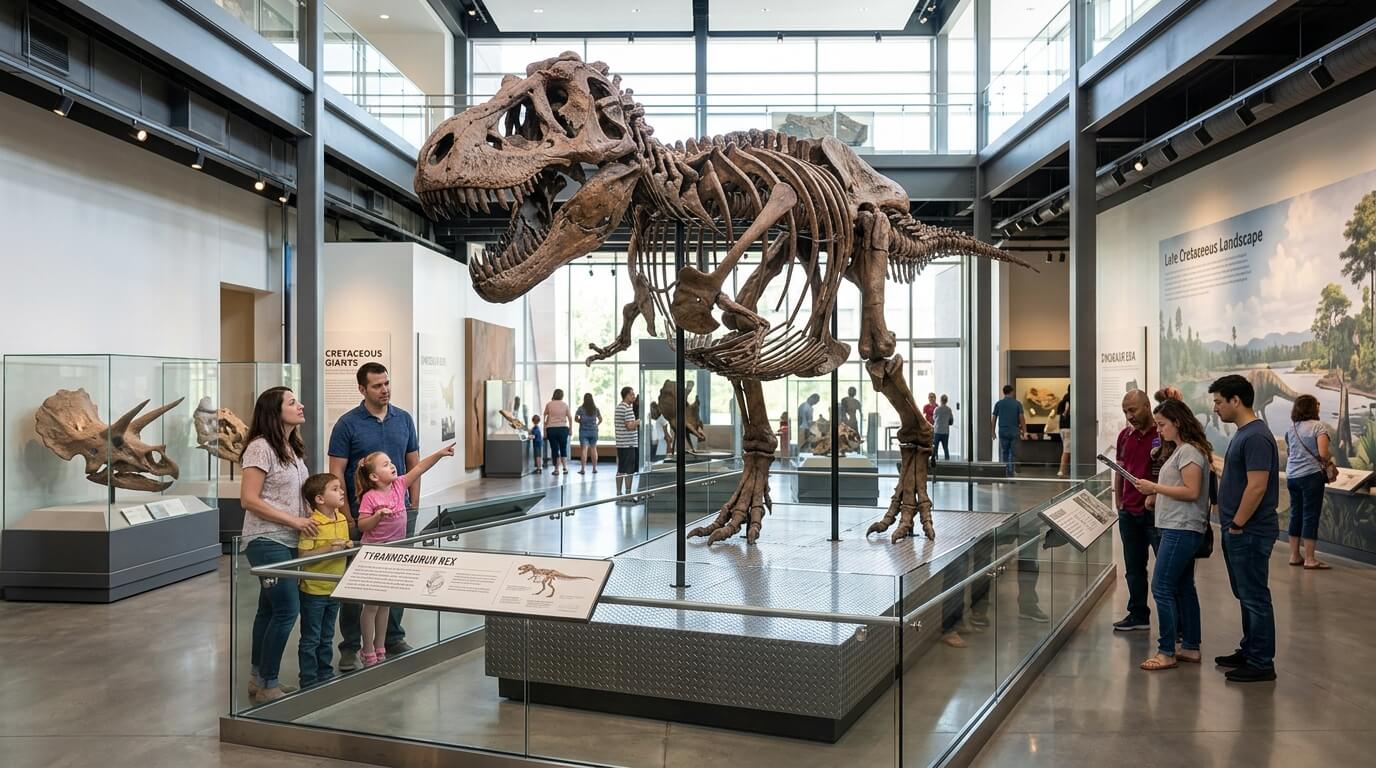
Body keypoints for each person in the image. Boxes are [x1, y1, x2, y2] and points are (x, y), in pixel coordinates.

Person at [328, 362, 420, 672]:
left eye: (387, 383)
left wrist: (413, 506)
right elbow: (336, 471)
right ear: (362, 389)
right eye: (377, 385)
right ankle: (351, 646)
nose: (385, 389)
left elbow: (412, 465)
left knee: (395, 579)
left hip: (399, 515)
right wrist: (346, 515)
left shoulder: (404, 419)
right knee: (358, 583)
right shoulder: (347, 424)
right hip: (361, 518)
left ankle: (392, 637)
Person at [239, 386, 314, 703]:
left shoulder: (291, 447)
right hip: (267, 539)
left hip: (288, 540)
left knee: (268, 611)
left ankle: (258, 679)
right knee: (286, 610)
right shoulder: (260, 448)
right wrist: (293, 521)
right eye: (292, 402)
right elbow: (249, 499)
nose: (300, 405)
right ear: (275, 411)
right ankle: (268, 683)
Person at [353, 442, 455, 667]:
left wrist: (438, 454)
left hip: (395, 553)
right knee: (371, 605)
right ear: (373, 477)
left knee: (386, 603)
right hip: (374, 554)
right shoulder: (370, 497)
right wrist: (378, 516)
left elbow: (419, 469)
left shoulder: (400, 485)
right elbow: (362, 526)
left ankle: (380, 645)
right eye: (385, 464)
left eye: (391, 462)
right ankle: (367, 647)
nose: (392, 466)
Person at [1210, 374, 1280, 682]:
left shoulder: (1255, 437)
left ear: (1235, 400)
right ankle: (1250, 649)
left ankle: (1262, 662)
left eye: (1219, 402)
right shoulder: (1245, 434)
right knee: (1246, 594)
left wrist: (1237, 523)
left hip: (1249, 532)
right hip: (1238, 530)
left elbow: (1257, 487)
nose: (1216, 409)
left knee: (1254, 596)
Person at [1132, 399, 1210, 671]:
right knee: (1183, 586)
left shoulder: (1189, 452)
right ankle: (1189, 646)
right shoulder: (1181, 451)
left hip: (1182, 528)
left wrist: (1155, 487)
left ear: (1177, 422)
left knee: (1161, 586)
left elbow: (1191, 491)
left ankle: (1167, 651)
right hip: (1177, 526)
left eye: (1162, 424)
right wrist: (1155, 495)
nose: (1159, 430)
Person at [296, 473, 352, 688]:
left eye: (340, 488)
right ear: (319, 498)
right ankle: (309, 679)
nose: (341, 492)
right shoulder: (312, 524)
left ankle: (325, 674)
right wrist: (329, 549)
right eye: (335, 489)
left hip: (334, 587)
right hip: (314, 590)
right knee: (311, 637)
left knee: (327, 635)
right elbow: (302, 556)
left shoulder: (341, 519)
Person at [1112, 389, 1160, 632]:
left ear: (1147, 406)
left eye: (1132, 410)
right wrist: (1119, 501)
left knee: (1167, 572)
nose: (1129, 416)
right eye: (1125, 411)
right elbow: (1119, 469)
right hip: (1129, 513)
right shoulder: (1125, 436)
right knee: (1133, 568)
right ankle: (1138, 614)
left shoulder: (1163, 434)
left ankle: (1179, 625)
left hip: (1156, 513)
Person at [1285, 394, 1331, 569]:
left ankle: (1294, 555)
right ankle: (1310, 559)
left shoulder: (1291, 428)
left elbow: (1291, 452)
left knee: (1295, 514)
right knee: (1310, 516)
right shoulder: (1318, 427)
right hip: (1311, 476)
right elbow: (1323, 454)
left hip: (1293, 477)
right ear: (1312, 408)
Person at [991, 385, 1026, 475]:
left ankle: (1005, 472)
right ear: (1012, 392)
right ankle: (1010, 472)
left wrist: (992, 432)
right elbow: (1021, 418)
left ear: (1004, 392)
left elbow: (994, 418)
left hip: (1003, 431)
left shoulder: (998, 404)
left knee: (1004, 452)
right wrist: (1025, 431)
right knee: (1012, 452)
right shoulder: (1017, 403)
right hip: (1014, 431)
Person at [614, 386, 641, 495]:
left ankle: (619, 493)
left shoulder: (619, 407)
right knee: (628, 470)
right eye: (632, 394)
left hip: (622, 444)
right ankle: (627, 494)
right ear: (627, 395)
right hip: (628, 444)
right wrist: (639, 421)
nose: (634, 397)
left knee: (621, 469)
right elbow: (630, 426)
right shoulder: (627, 408)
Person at [543, 389, 572, 475]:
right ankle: (565, 468)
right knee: (563, 448)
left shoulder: (549, 404)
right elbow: (570, 418)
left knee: (554, 449)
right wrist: (570, 429)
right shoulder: (565, 405)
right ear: (562, 395)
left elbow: (544, 417)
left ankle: (556, 469)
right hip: (563, 429)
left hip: (551, 429)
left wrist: (544, 430)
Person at [574, 393, 602, 475]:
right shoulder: (596, 409)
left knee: (584, 450)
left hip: (583, 431)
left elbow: (576, 418)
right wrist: (596, 424)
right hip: (594, 431)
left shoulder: (580, 409)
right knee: (594, 449)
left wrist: (580, 421)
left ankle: (583, 469)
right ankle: (594, 468)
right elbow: (600, 419)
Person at [932, 394, 954, 466]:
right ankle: (947, 463)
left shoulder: (936, 409)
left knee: (935, 448)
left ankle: (935, 463)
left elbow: (934, 419)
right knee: (945, 448)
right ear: (946, 401)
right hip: (945, 431)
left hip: (937, 431)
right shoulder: (949, 409)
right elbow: (951, 420)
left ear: (940, 400)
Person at [1056, 391, 1071, 478]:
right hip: (1069, 429)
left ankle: (1065, 470)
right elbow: (1066, 411)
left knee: (1067, 450)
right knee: (1066, 451)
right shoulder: (1068, 402)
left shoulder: (1062, 402)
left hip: (1062, 429)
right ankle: (1061, 470)